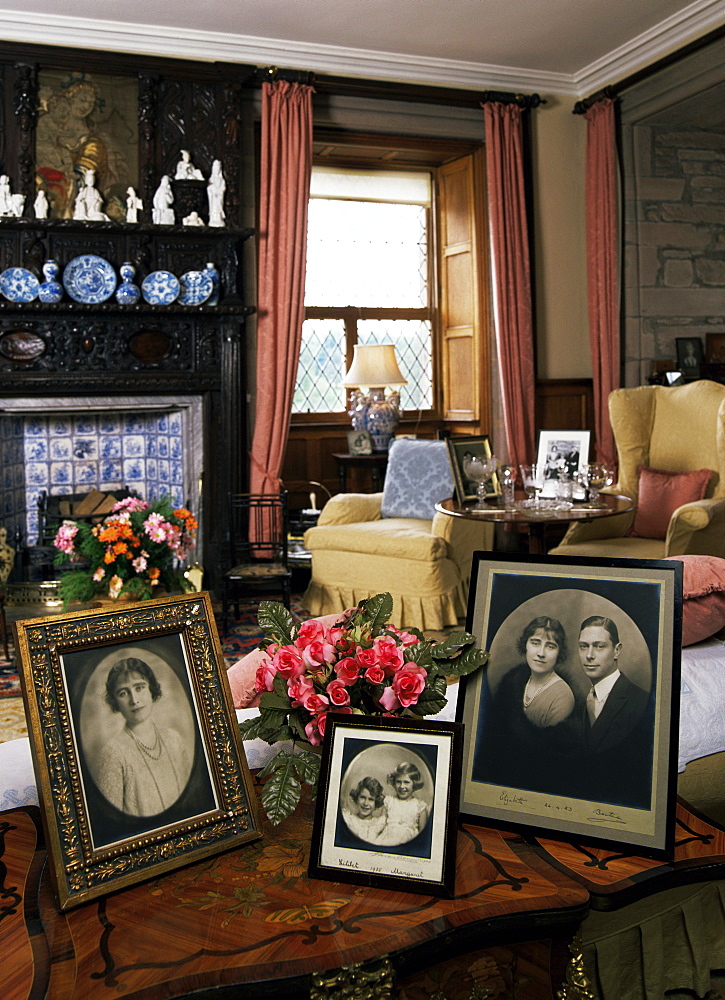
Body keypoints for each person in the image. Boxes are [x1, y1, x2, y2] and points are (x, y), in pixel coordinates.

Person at [94, 657, 190, 817]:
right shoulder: (112, 753)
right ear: (115, 701)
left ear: (151, 689)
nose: (134, 700)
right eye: (123, 693)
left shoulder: (173, 739)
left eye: (139, 688)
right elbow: (111, 819)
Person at [577, 615, 650, 754]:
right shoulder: (584, 700)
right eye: (583, 646)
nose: (589, 655)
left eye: (599, 646)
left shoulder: (640, 702)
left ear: (617, 650)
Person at [493, 616, 574, 731]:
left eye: (550, 646)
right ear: (525, 645)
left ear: (559, 653)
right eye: (535, 643)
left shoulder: (563, 697)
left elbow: (549, 744)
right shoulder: (514, 683)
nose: (541, 653)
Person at [375, 761, 428, 846]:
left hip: (408, 842)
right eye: (398, 782)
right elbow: (380, 824)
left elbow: (423, 834)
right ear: (394, 783)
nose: (402, 786)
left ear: (414, 784)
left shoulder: (420, 806)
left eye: (406, 782)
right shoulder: (389, 801)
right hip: (387, 839)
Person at [342, 776, 387, 843]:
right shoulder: (349, 820)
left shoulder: (380, 824)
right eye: (362, 797)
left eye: (371, 799)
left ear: (376, 802)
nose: (365, 803)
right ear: (357, 798)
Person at [207, 159, 225, 227]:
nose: (216, 170)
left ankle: (219, 219)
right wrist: (212, 191)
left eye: (218, 168)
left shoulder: (221, 180)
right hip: (213, 197)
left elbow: (223, 188)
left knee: (218, 209)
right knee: (214, 209)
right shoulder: (211, 179)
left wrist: (219, 192)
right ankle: (213, 219)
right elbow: (209, 188)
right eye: (215, 168)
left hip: (219, 197)